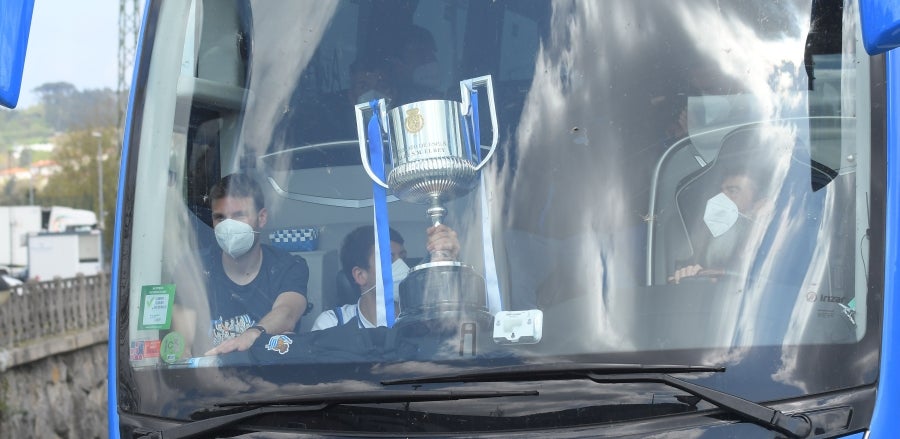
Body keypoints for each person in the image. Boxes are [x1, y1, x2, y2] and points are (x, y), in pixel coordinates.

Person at [172, 173, 310, 356]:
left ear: (262, 218)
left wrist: (252, 334)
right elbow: (183, 348)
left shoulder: (289, 267)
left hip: (270, 380)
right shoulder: (194, 269)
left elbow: (287, 313)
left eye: (239, 215)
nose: (228, 226)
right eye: (220, 218)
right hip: (212, 379)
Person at [311, 224, 459, 330]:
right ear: (360, 275)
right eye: (389, 259)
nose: (402, 266)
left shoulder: (425, 319)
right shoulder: (332, 324)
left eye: (403, 258)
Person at [668, 164, 770, 284]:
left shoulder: (770, 246)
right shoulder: (699, 242)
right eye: (721, 191)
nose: (721, 198)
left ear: (757, 203)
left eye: (733, 191)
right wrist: (689, 275)